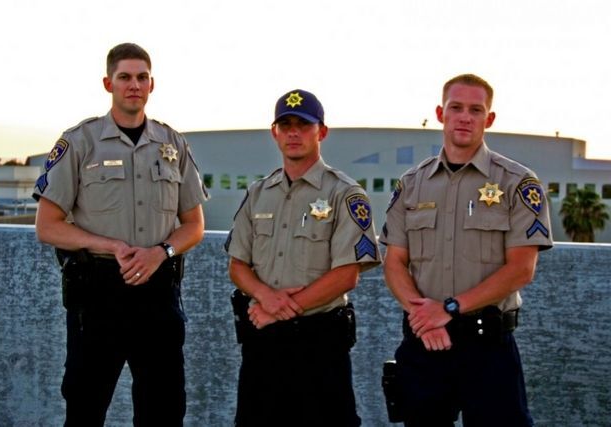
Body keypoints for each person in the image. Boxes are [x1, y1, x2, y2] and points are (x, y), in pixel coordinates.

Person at [32, 43, 208, 426]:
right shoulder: (80, 142)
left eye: (142, 77)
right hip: (98, 295)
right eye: (125, 77)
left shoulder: (173, 144)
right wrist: (109, 245)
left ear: (152, 84)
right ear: (108, 83)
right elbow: (47, 226)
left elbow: (194, 226)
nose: (134, 85)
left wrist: (161, 251)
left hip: (158, 293)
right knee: (85, 407)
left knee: (163, 410)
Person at [380, 74, 553, 426]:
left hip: (487, 346)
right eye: (456, 108)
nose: (465, 117)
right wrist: (424, 319)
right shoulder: (411, 184)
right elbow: (394, 262)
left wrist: (449, 308)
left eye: (476, 110)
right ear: (440, 113)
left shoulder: (517, 182)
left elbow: (522, 268)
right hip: (425, 343)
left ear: (489, 119)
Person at [225, 89, 381, 426]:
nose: (293, 132)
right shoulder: (258, 193)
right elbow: (237, 265)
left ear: (321, 132)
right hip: (263, 343)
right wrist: (266, 297)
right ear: (274, 133)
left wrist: (279, 310)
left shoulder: (345, 193)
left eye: (303, 125)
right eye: (286, 125)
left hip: (319, 345)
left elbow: (347, 275)